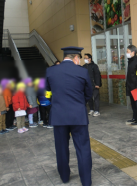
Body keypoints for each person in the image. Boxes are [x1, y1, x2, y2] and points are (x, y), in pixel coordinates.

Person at [46, 46, 93, 186]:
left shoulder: (50, 71)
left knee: (61, 148)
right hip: (78, 116)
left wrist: (55, 105)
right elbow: (89, 93)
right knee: (83, 148)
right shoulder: (82, 72)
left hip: (59, 116)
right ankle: (86, 181)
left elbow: (46, 93)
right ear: (76, 58)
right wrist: (79, 104)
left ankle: (65, 177)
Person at [126, 45, 137, 125]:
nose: (126, 53)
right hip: (130, 86)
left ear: (133, 52)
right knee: (133, 104)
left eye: (127, 52)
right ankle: (134, 118)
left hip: (136, 87)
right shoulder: (130, 61)